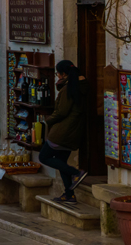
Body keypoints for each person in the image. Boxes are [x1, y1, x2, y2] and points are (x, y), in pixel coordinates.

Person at [39, 60, 89, 204]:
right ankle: (69, 194)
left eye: (58, 74)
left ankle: (76, 173)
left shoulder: (68, 89)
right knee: (61, 162)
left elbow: (61, 112)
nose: (57, 76)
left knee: (44, 156)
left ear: (63, 74)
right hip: (74, 131)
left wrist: (45, 122)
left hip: (62, 132)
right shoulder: (82, 86)